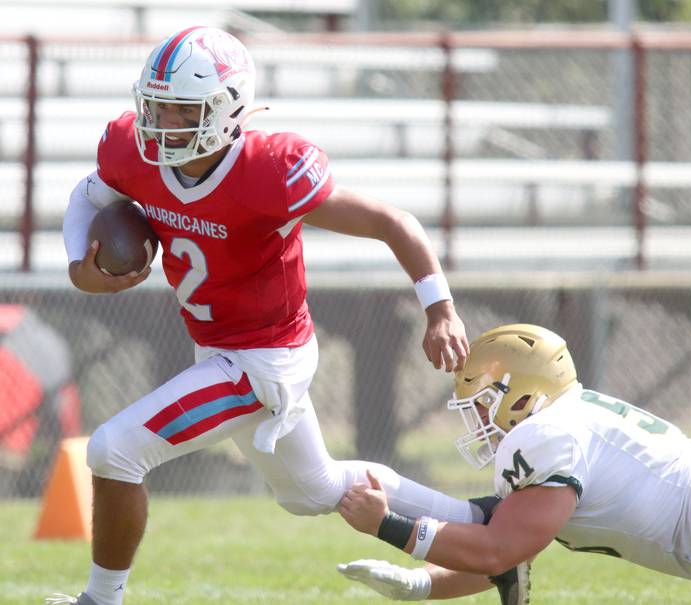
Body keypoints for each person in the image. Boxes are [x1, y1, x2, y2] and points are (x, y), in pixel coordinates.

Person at [52, 26, 478, 605]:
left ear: (226, 111)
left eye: (181, 111)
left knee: (114, 449)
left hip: (263, 360)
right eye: (155, 106)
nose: (161, 124)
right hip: (220, 350)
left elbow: (391, 222)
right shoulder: (136, 152)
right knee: (315, 491)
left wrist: (441, 309)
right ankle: (483, 522)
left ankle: (102, 600)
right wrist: (81, 266)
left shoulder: (270, 170)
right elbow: (88, 194)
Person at [337, 323, 691, 603]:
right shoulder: (565, 425)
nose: (477, 420)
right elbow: (504, 545)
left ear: (519, 392)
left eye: (480, 404)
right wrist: (417, 585)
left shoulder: (546, 435)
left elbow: (498, 550)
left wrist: (387, 525)